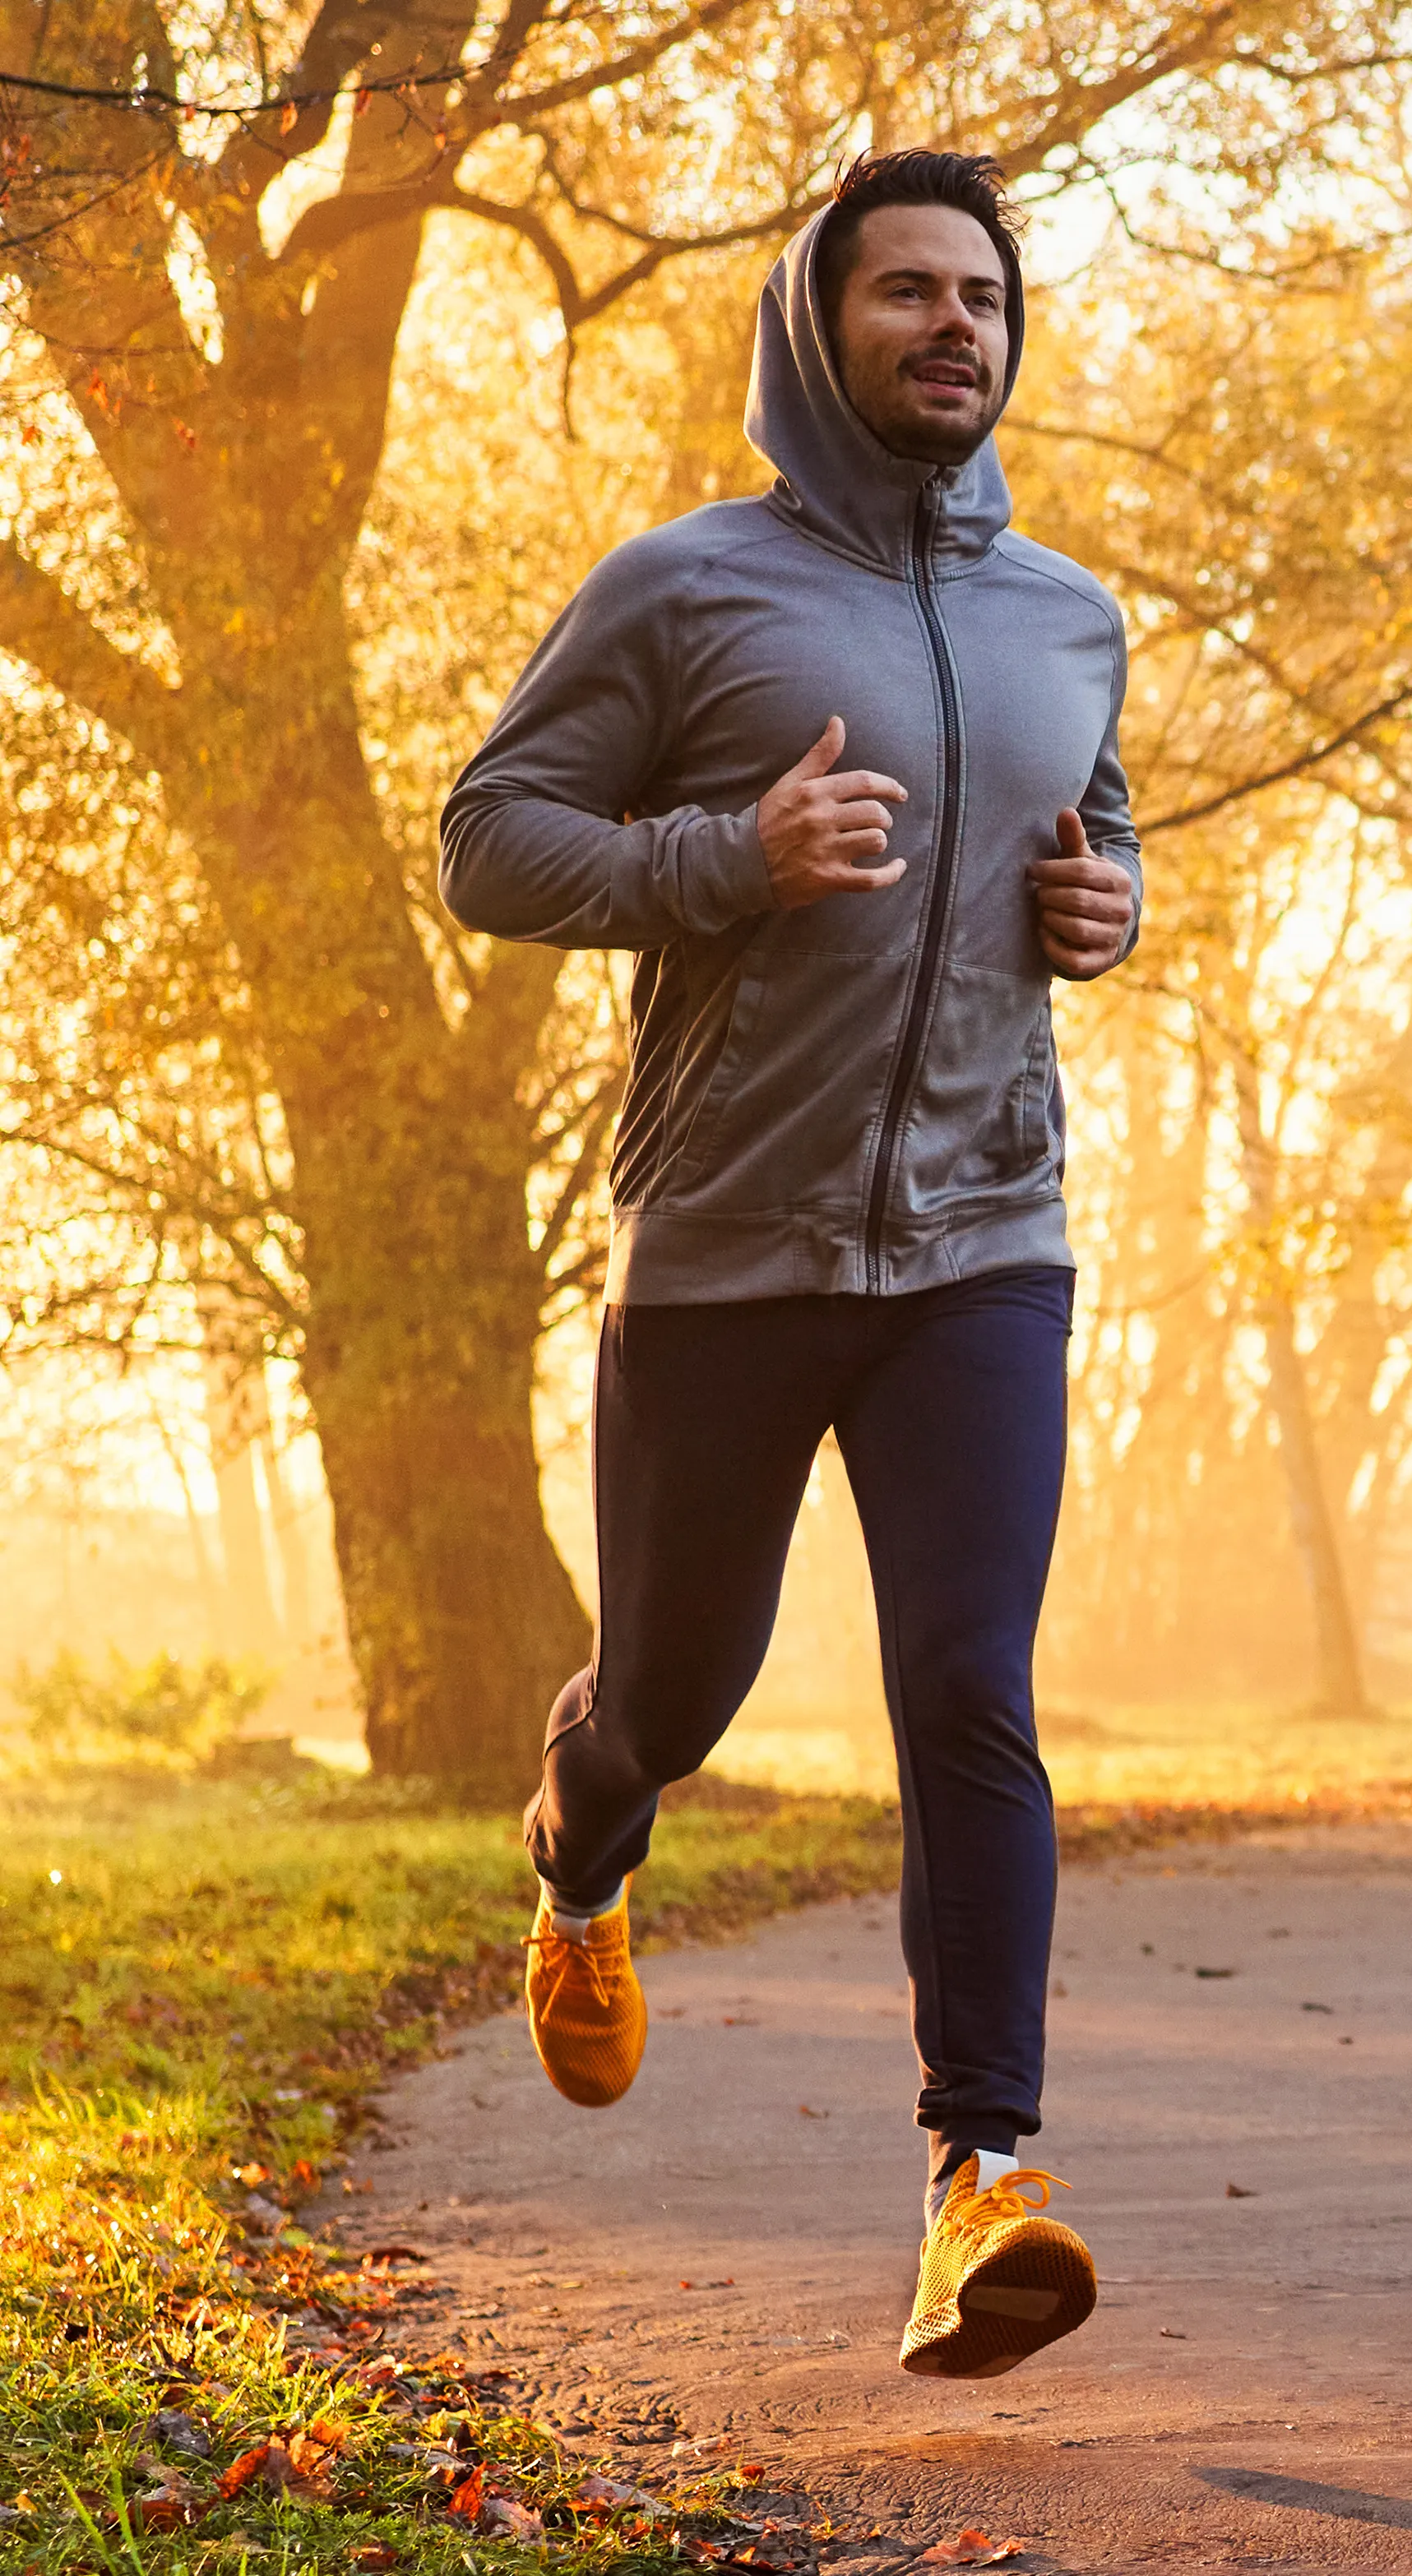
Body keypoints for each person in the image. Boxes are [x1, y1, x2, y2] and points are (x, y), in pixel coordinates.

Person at [439, 148, 1141, 2381]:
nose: (955, 327)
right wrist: (718, 859)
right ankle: (580, 1844)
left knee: (968, 1682)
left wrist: (1105, 904)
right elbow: (489, 836)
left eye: (982, 299)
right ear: (813, 328)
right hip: (727, 1244)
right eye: (907, 294)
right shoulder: (681, 590)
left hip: (983, 1246)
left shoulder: (1066, 613)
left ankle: (980, 2180)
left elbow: (1084, 824)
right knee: (673, 1685)